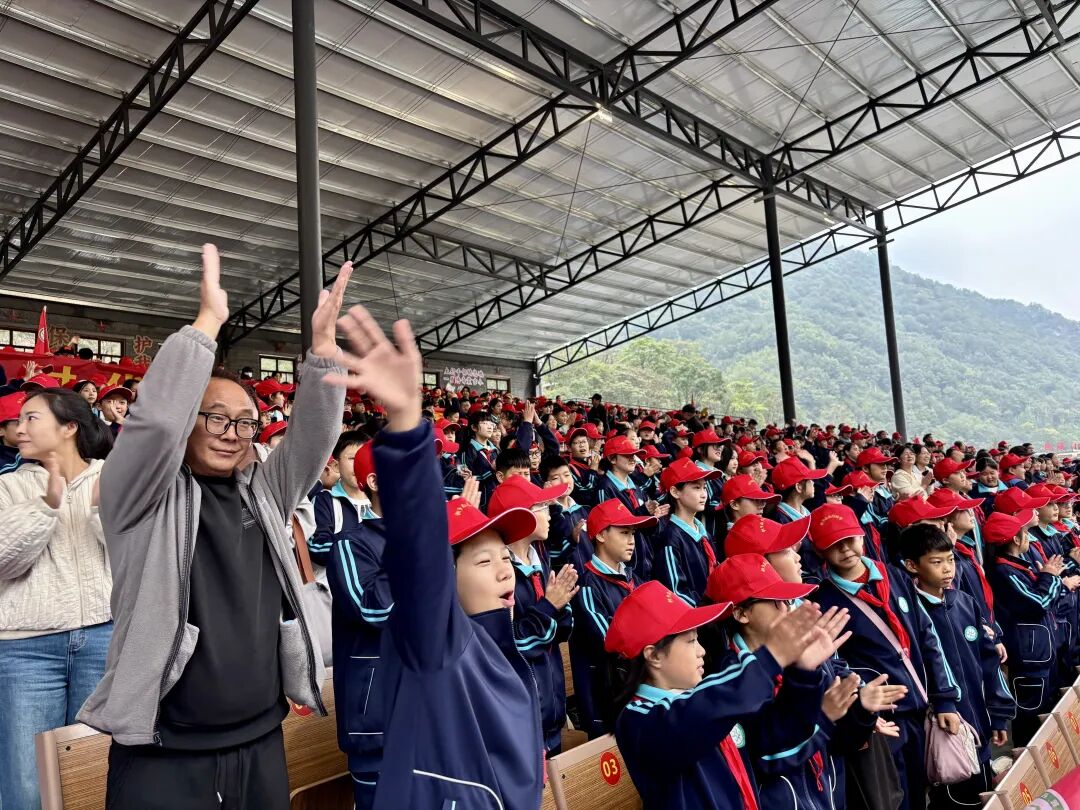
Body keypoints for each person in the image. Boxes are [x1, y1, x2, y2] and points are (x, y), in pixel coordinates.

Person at [79, 246, 349, 810]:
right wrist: (206, 325)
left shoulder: (264, 492)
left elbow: (311, 440)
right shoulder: (140, 497)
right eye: (216, 418)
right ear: (187, 421)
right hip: (164, 751)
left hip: (261, 736)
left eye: (245, 422)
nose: (232, 433)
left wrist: (324, 354)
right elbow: (154, 424)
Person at [330, 304, 545, 809]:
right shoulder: (442, 645)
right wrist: (407, 425)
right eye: (483, 561)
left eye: (504, 557)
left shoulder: (501, 646)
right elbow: (412, 578)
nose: (505, 570)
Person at [608, 581, 848, 809]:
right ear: (654, 656)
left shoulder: (706, 703)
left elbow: (773, 743)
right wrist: (770, 658)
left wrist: (803, 673)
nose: (702, 651)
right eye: (691, 641)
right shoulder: (637, 721)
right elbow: (693, 715)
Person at [0, 388, 114, 810]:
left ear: (69, 427)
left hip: (102, 637)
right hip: (25, 650)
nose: (19, 427)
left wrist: (102, 511)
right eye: (19, 419)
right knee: (28, 783)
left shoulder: (112, 476)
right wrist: (46, 505)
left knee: (93, 774)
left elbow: (134, 558)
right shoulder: (8, 486)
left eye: (31, 418)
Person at [809, 503, 962, 810]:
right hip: (882, 720)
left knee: (923, 791)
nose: (846, 549)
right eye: (834, 544)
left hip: (920, 708)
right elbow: (834, 666)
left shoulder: (894, 577)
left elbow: (927, 637)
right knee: (893, 797)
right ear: (819, 551)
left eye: (849, 539)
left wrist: (945, 698)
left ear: (861, 536)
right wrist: (863, 710)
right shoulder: (824, 601)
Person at [897, 524, 1014, 810]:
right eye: (936, 562)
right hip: (946, 729)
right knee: (955, 798)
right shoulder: (910, 613)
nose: (947, 568)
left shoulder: (964, 602)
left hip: (980, 723)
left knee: (983, 792)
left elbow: (989, 663)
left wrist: (998, 714)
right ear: (912, 565)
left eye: (950, 559)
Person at [488, 474, 578, 755]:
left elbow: (562, 631)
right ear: (520, 517)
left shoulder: (540, 560)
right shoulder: (500, 575)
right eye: (542, 507)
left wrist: (559, 606)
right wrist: (550, 606)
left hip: (551, 707)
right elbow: (512, 644)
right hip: (523, 716)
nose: (550, 514)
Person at [326, 441, 391, 809]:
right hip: (377, 725)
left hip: (431, 715)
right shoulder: (350, 545)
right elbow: (375, 611)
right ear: (376, 482)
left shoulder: (434, 543)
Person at [570, 499, 655, 738]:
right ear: (600, 535)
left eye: (633, 533)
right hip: (607, 701)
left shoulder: (634, 579)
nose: (632, 540)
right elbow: (611, 640)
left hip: (638, 689)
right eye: (624, 533)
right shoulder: (588, 586)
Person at [652, 457, 723, 605]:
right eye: (696, 488)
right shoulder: (670, 539)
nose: (704, 494)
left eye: (704, 487)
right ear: (675, 492)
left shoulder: (704, 534)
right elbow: (675, 593)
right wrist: (710, 610)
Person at [310, 430, 377, 564]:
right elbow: (317, 547)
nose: (360, 464)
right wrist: (361, 546)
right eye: (353, 458)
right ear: (336, 465)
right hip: (336, 576)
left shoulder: (380, 500)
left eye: (366, 458)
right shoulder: (325, 501)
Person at [0, 391, 27, 475]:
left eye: (32, 420)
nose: (27, 428)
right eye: (19, 423)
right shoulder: (3, 467)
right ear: (1, 430)